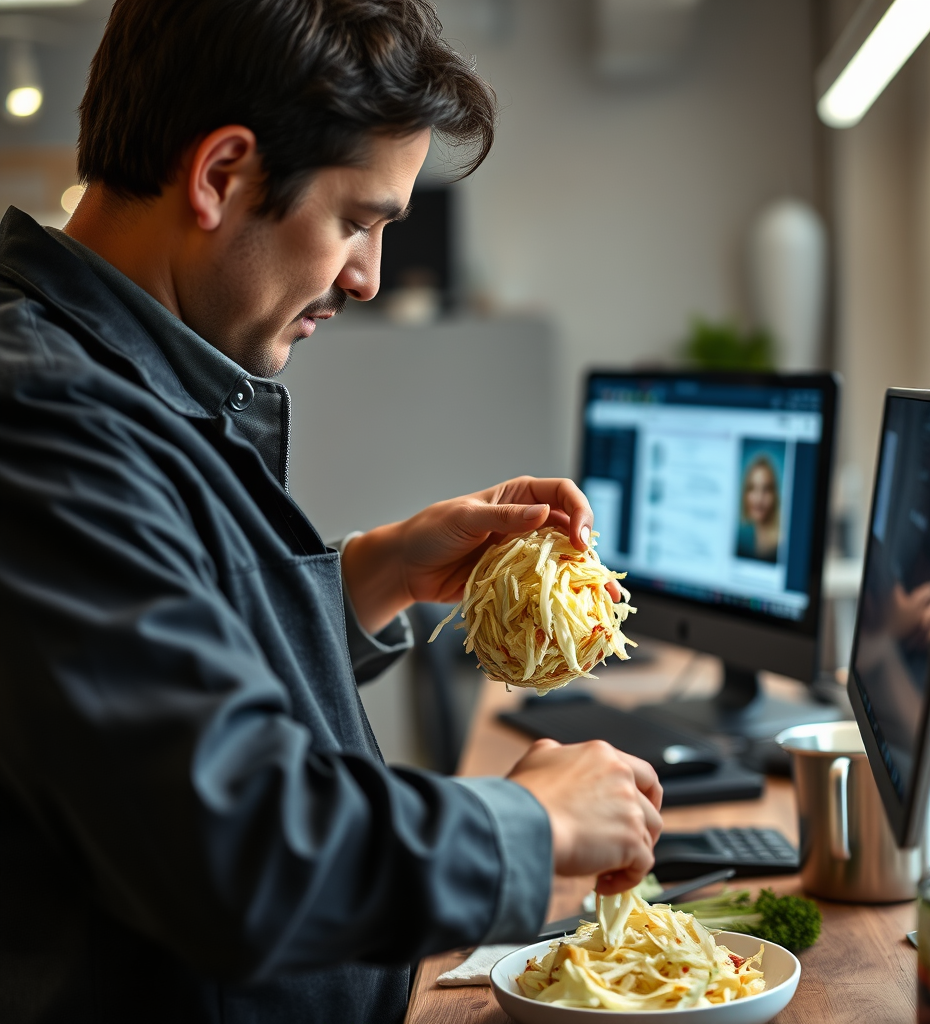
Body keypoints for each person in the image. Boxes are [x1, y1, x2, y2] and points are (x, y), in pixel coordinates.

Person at [0, 3, 663, 1023]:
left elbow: (162, 644)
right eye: (357, 222)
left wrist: (374, 575)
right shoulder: (43, 413)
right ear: (221, 174)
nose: (367, 278)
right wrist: (530, 822)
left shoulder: (114, 378)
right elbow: (236, 845)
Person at [735, 454, 781, 563]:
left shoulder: (783, 545)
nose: (758, 500)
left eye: (766, 489)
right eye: (752, 488)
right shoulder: (743, 540)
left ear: (775, 495)